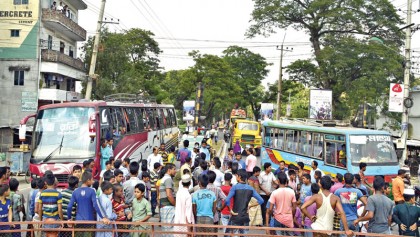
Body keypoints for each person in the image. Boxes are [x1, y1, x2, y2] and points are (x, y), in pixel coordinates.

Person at [67, 171, 110, 237]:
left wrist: (69, 218)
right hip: (90, 221)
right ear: (88, 180)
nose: (93, 181)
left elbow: (69, 206)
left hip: (78, 221)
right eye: (92, 179)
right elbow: (95, 205)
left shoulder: (75, 191)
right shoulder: (92, 190)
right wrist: (103, 217)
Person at [225, 170, 264, 236]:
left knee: (228, 235)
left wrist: (230, 210)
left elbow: (227, 200)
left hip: (236, 216)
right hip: (245, 217)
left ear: (239, 177)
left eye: (236, 176)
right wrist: (250, 206)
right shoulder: (251, 188)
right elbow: (261, 200)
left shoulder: (235, 187)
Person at [159, 164, 177, 236]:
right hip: (168, 207)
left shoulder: (163, 179)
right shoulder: (168, 179)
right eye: (174, 169)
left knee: (165, 230)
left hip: (164, 207)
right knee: (170, 230)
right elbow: (169, 195)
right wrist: (175, 204)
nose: (175, 171)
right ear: (169, 170)